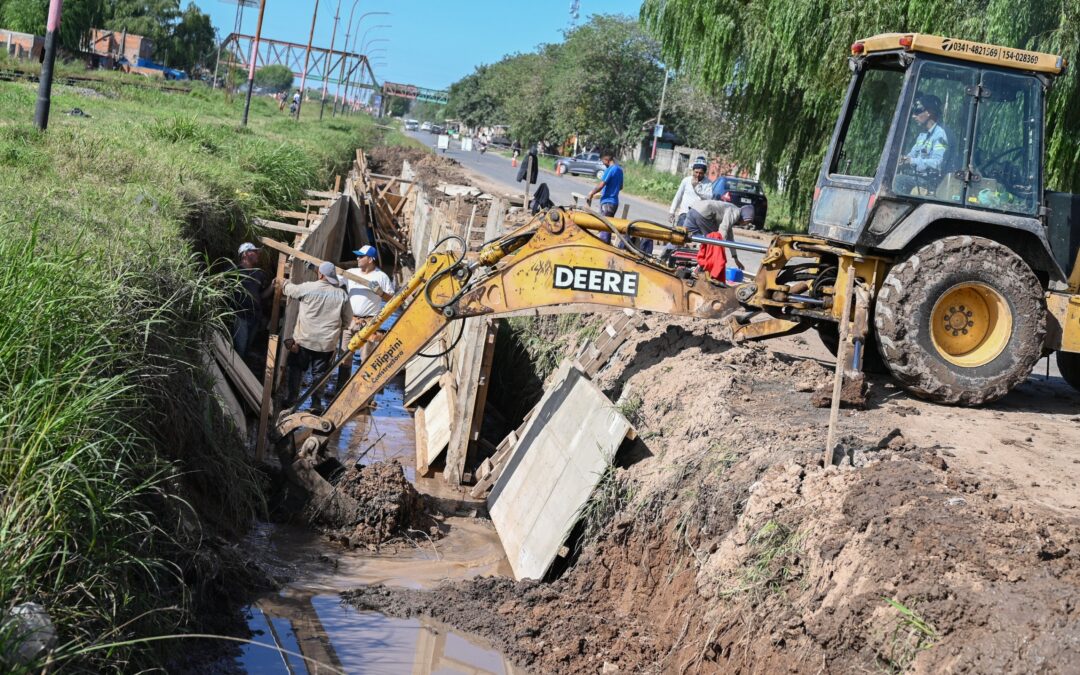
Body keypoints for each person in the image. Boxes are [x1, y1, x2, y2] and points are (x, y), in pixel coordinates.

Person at [280, 261, 352, 410]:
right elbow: (347, 320)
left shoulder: (308, 288)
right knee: (320, 374)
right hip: (326, 345)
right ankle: (316, 403)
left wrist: (284, 282)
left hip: (304, 341)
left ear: (320, 274)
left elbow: (290, 291)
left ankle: (292, 398)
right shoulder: (342, 295)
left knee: (296, 369)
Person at [336, 245, 395, 391]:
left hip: (369, 323)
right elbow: (332, 279)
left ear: (370, 259)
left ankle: (365, 394)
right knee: (344, 356)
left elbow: (393, 299)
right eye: (358, 256)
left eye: (361, 256)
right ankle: (340, 390)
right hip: (350, 320)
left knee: (367, 359)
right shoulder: (351, 273)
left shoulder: (381, 277)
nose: (357, 258)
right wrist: (315, 269)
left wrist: (381, 293)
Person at [894, 94, 948, 195]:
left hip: (930, 182)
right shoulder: (922, 135)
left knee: (898, 180)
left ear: (929, 113)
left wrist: (912, 161)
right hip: (917, 178)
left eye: (917, 112)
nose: (913, 116)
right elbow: (912, 154)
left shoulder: (940, 135)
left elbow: (937, 163)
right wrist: (903, 160)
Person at [231, 242, 273, 358]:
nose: (257, 254)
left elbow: (262, 296)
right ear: (245, 254)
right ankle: (234, 374)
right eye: (254, 252)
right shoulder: (234, 272)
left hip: (255, 317)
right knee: (240, 349)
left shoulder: (259, 274)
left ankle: (243, 371)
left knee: (246, 348)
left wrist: (272, 286)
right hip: (240, 317)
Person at [685, 200, 752, 271]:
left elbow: (730, 238)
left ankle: (675, 260)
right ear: (745, 216)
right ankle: (703, 268)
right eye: (747, 222)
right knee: (711, 241)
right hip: (705, 213)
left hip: (694, 208)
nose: (746, 224)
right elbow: (723, 228)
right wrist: (718, 248)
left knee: (682, 235)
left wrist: (735, 258)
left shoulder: (732, 210)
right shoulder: (735, 212)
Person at [586, 152, 625, 245]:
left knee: (604, 229)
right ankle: (605, 246)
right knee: (607, 228)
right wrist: (611, 190)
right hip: (614, 203)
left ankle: (603, 248)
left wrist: (592, 193)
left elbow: (601, 184)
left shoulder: (610, 169)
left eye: (603, 161)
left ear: (607, 160)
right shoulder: (620, 170)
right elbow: (620, 187)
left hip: (607, 203)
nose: (603, 163)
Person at [669, 157, 712, 228]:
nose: (698, 175)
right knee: (680, 235)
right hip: (684, 214)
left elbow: (709, 198)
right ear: (693, 170)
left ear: (704, 173)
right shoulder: (686, 180)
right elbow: (678, 196)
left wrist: (697, 188)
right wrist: (672, 211)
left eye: (701, 173)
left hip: (699, 215)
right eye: (696, 172)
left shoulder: (708, 183)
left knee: (695, 238)